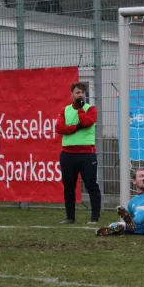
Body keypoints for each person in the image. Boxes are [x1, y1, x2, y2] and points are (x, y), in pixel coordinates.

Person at [55, 82, 101, 225]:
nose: (80, 95)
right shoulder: (65, 110)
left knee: (91, 185)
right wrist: (76, 127)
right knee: (69, 186)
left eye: (82, 92)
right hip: (67, 154)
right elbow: (59, 128)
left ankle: (94, 217)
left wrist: (80, 110)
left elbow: (87, 122)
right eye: (77, 92)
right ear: (72, 94)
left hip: (86, 154)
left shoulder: (90, 109)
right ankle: (70, 217)